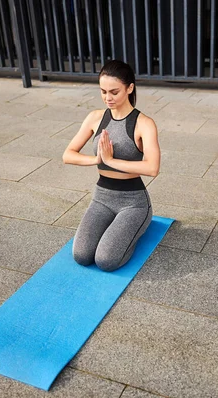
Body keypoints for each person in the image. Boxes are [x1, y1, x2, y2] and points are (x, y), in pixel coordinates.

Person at [62, 60, 160, 272]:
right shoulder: (95, 118)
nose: (108, 98)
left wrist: (112, 161)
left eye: (114, 92)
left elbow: (152, 168)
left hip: (133, 202)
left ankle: (139, 225)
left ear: (130, 88)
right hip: (102, 198)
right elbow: (68, 155)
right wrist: (97, 160)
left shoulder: (144, 123)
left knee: (106, 260)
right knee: (81, 255)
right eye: (103, 91)